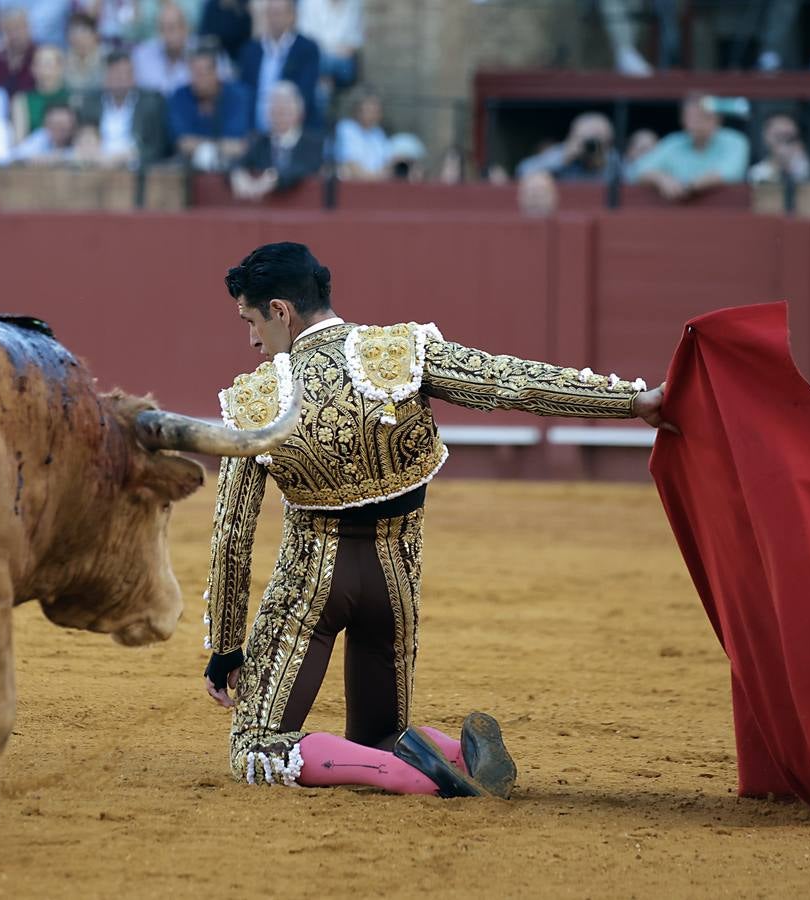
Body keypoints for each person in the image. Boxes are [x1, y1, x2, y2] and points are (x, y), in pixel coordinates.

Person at [202, 241, 671, 795]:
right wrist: (629, 402)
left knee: (257, 749)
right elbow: (508, 381)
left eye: (251, 320)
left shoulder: (257, 398)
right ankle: (451, 753)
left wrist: (227, 646)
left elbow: (233, 534)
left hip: (313, 584)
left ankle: (417, 776)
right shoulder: (401, 350)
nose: (251, 339)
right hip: (395, 582)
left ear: (280, 310)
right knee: (379, 732)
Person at [630, 94, 749, 201]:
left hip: (724, 212)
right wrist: (662, 179)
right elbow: (638, 170)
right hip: (677, 214)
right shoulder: (673, 142)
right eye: (689, 117)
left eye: (700, 116)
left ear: (716, 119)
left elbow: (731, 173)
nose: (693, 123)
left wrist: (690, 186)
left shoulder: (735, 141)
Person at [229, 80, 322, 200]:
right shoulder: (260, 142)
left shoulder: (314, 142)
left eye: (285, 108)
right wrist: (237, 174)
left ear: (300, 112)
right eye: (275, 107)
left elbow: (303, 168)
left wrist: (272, 179)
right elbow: (235, 163)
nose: (279, 112)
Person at [238, 0, 321, 132]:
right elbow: (245, 91)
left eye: (279, 13)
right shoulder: (251, 50)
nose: (274, 18)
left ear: (292, 16)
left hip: (292, 128)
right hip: (255, 129)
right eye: (271, 13)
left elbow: (304, 92)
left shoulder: (307, 49)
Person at [72, 49, 165, 166]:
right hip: (97, 164)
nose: (121, 78)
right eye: (116, 73)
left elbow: (156, 146)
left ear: (134, 76)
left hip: (134, 166)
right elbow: (83, 135)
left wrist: (131, 156)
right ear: (106, 76)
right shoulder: (90, 102)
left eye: (126, 73)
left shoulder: (151, 103)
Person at [168, 43, 248, 170]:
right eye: (194, 73)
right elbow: (182, 143)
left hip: (232, 168)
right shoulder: (180, 96)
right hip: (189, 167)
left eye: (203, 73)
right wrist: (216, 147)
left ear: (215, 72)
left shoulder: (236, 95)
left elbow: (238, 145)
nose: (198, 79)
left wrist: (203, 146)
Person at [515, 112, 619, 183]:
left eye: (596, 141)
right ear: (572, 138)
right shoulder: (563, 153)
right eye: (584, 140)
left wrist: (601, 164)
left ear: (608, 143)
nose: (589, 147)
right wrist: (563, 159)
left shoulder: (612, 158)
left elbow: (628, 179)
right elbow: (523, 170)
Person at [296, 0, 361, 98]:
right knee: (321, 88)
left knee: (337, 68)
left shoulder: (354, 4)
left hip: (341, 65)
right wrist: (334, 49)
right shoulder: (309, 3)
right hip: (316, 59)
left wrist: (324, 48)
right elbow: (306, 43)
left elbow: (352, 47)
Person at [131, 2, 192, 97]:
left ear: (185, 29)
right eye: (162, 29)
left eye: (171, 28)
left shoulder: (202, 56)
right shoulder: (141, 55)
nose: (166, 35)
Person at [10, 43, 66, 141]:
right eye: (39, 64)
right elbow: (19, 139)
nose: (43, 69)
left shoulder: (73, 97)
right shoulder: (22, 99)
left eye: (48, 64)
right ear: (33, 69)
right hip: (33, 152)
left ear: (60, 68)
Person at [747, 114, 810, 185]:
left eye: (790, 138)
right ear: (766, 137)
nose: (785, 144)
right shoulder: (757, 172)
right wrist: (780, 164)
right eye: (779, 137)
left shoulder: (808, 166)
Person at [334, 87, 390, 180]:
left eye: (377, 109)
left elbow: (387, 166)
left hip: (375, 186)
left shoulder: (378, 133)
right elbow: (352, 168)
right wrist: (378, 177)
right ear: (357, 108)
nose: (374, 112)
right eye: (369, 107)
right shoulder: (346, 128)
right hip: (352, 187)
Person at [0, 7, 35, 96]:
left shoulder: (38, 55)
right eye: (9, 30)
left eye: (19, 28)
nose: (15, 34)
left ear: (28, 28)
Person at [11, 100, 76, 162]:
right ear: (46, 124)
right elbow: (15, 155)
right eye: (54, 124)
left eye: (63, 124)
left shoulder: (79, 137)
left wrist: (60, 157)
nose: (58, 129)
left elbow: (81, 155)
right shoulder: (41, 136)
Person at [64, 11, 104, 97]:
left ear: (95, 35)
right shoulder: (63, 60)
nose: (79, 39)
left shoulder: (106, 58)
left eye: (84, 32)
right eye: (74, 33)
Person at [197, 0, 251, 64]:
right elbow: (203, 33)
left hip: (237, 57)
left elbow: (244, 36)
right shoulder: (211, 5)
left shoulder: (243, 6)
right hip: (214, 55)